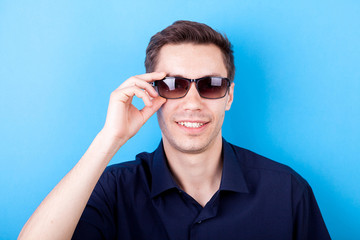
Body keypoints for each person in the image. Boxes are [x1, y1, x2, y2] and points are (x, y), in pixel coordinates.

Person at [18, 20, 331, 240]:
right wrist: (109, 140)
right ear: (151, 92)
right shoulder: (112, 190)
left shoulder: (288, 192)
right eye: (173, 85)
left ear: (229, 96)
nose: (192, 103)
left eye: (210, 85)